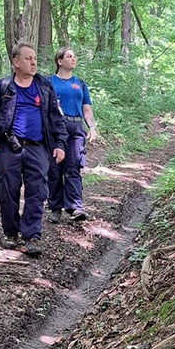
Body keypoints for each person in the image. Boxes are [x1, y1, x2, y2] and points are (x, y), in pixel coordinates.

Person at [0, 43, 67, 258]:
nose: (33, 62)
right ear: (16, 62)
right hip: (9, 148)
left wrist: (60, 145)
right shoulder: (3, 87)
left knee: (37, 192)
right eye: (28, 59)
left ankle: (32, 236)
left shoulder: (44, 86)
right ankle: (11, 232)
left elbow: (55, 117)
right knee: (7, 192)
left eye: (34, 58)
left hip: (38, 149)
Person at [47, 47, 97, 223]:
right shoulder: (48, 82)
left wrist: (92, 127)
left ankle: (75, 206)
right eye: (69, 56)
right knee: (54, 169)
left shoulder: (80, 84)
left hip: (75, 128)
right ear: (60, 61)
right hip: (55, 128)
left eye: (74, 56)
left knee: (73, 167)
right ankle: (55, 207)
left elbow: (87, 109)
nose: (73, 59)